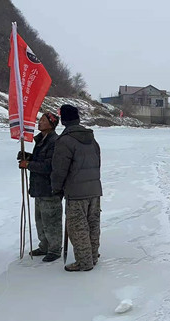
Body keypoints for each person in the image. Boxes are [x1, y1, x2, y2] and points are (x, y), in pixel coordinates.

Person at [51, 104, 102, 272]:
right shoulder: (91, 138)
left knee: (78, 227)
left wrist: (57, 188)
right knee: (92, 224)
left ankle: (84, 262)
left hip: (76, 191)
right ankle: (93, 256)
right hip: (94, 188)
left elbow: (59, 169)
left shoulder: (65, 140)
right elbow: (98, 161)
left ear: (63, 120)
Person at [18, 112, 63, 262]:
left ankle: (55, 249)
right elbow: (40, 159)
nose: (40, 122)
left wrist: (29, 164)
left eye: (43, 120)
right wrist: (28, 157)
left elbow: (49, 166)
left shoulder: (55, 141)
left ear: (51, 124)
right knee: (40, 220)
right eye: (40, 119)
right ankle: (44, 246)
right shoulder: (42, 140)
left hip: (50, 189)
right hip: (39, 188)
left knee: (51, 221)